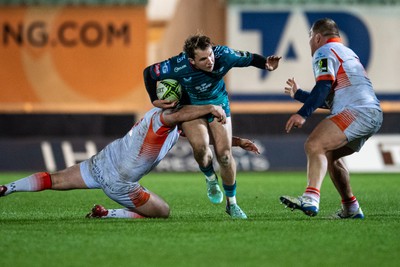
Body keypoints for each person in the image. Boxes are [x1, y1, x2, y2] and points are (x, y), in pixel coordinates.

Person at [0, 104, 260, 219]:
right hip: (120, 184)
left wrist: (235, 142)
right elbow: (181, 116)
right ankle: (108, 214)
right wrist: (210, 107)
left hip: (101, 162)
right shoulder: (166, 117)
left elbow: (196, 135)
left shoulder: (166, 119)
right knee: (163, 212)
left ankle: (8, 188)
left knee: (54, 180)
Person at [143, 34, 281, 219]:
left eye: (210, 55)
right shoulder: (177, 65)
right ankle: (210, 178)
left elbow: (249, 58)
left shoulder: (224, 55)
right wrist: (154, 99)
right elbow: (149, 73)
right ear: (191, 60)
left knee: (224, 156)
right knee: (200, 148)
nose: (210, 61)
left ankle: (232, 204)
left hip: (219, 104)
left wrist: (266, 64)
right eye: (203, 59)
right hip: (191, 106)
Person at [279, 18, 383, 219]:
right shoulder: (348, 53)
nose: (310, 43)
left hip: (357, 111)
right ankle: (351, 208)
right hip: (372, 113)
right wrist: (299, 94)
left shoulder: (323, 51)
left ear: (317, 37)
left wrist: (302, 113)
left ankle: (310, 198)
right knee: (329, 155)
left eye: (310, 38)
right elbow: (330, 99)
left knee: (314, 144)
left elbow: (324, 85)